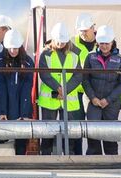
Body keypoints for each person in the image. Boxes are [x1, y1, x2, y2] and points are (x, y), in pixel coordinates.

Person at [71, 26, 121, 155]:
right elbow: (85, 80)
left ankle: (112, 163)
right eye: (102, 43)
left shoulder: (120, 60)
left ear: (112, 42)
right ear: (97, 43)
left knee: (110, 136)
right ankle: (94, 164)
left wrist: (108, 100)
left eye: (107, 43)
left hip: (111, 103)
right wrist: (93, 98)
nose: (104, 46)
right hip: (93, 102)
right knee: (93, 133)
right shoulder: (90, 58)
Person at [0, 28, 34, 154]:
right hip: (4, 106)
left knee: (21, 142)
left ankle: (21, 169)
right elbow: (0, 88)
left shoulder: (27, 62)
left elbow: (27, 89)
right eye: (10, 48)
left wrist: (24, 114)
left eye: (15, 48)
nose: (13, 51)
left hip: (22, 106)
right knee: (1, 141)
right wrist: (2, 112)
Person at [36, 24, 74, 154]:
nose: (60, 43)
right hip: (50, 100)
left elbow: (78, 75)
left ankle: (68, 159)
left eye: (63, 41)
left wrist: (65, 89)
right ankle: (46, 158)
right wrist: (58, 88)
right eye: (58, 40)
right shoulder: (45, 54)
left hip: (67, 99)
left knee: (68, 132)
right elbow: (44, 74)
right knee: (47, 132)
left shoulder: (74, 55)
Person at [64, 15, 97, 155]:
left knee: (93, 129)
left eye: (86, 30)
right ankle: (75, 158)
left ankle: (92, 158)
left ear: (93, 28)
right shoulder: (72, 43)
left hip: (94, 93)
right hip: (76, 92)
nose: (83, 33)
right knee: (75, 128)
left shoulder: (102, 42)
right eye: (81, 31)